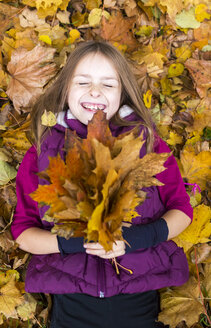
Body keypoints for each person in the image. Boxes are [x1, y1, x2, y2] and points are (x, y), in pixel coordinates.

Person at [11, 40, 193, 328]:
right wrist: (72, 243)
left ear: (122, 94)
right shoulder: (42, 153)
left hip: (138, 297)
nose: (95, 91)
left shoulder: (146, 145)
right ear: (65, 88)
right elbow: (23, 232)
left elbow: (182, 210)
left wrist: (134, 240)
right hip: (72, 303)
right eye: (83, 82)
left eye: (108, 85)